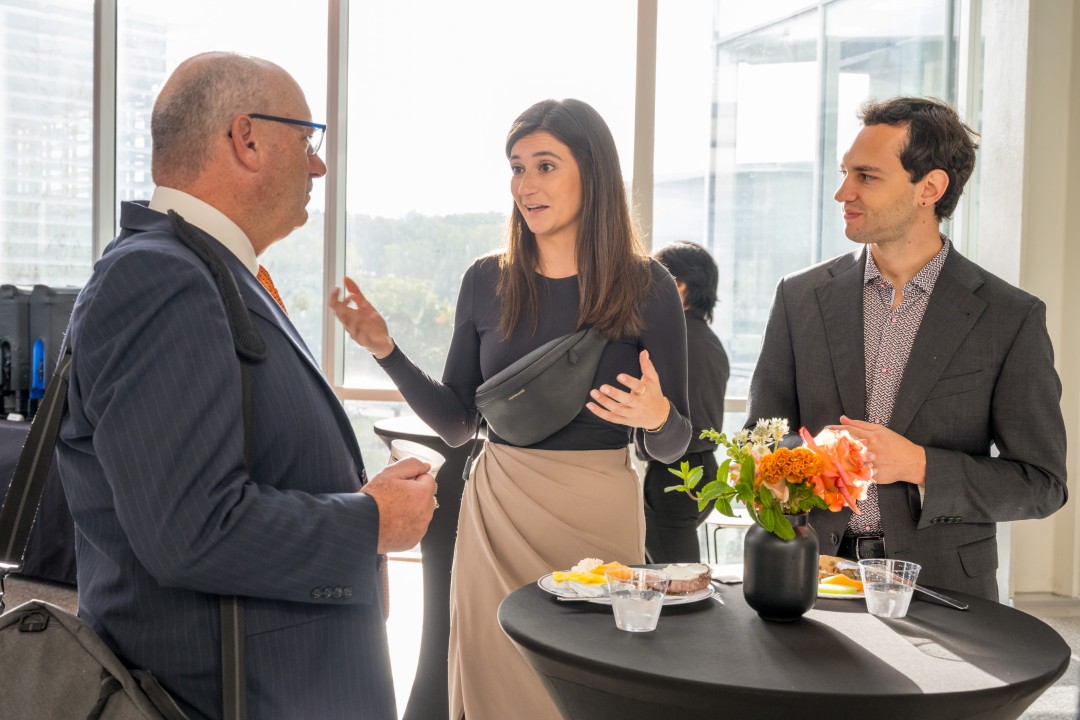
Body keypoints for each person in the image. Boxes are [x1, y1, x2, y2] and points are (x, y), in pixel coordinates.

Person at [55, 52, 436, 720]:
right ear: (248, 138)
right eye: (306, 139)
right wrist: (371, 521)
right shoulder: (159, 280)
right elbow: (192, 528)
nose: (317, 165)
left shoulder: (205, 273)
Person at [330, 98, 692, 720]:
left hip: (599, 513)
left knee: (587, 690)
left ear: (593, 173)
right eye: (517, 168)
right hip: (497, 510)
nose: (526, 185)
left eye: (545, 166)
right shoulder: (485, 280)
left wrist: (657, 417)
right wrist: (385, 351)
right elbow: (457, 422)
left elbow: (674, 445)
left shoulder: (648, 286)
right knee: (495, 682)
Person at [745, 96, 1067, 601]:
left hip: (941, 585)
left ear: (930, 188)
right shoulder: (799, 297)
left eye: (866, 177)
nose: (842, 192)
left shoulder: (1010, 317)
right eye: (844, 172)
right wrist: (794, 468)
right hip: (808, 575)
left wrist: (918, 464)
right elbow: (759, 443)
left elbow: (1041, 483)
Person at [641, 241, 729, 563]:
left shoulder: (671, 341)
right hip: (707, 471)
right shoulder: (711, 341)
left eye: (654, 281)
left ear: (679, 287)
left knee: (679, 583)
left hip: (676, 477)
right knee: (672, 576)